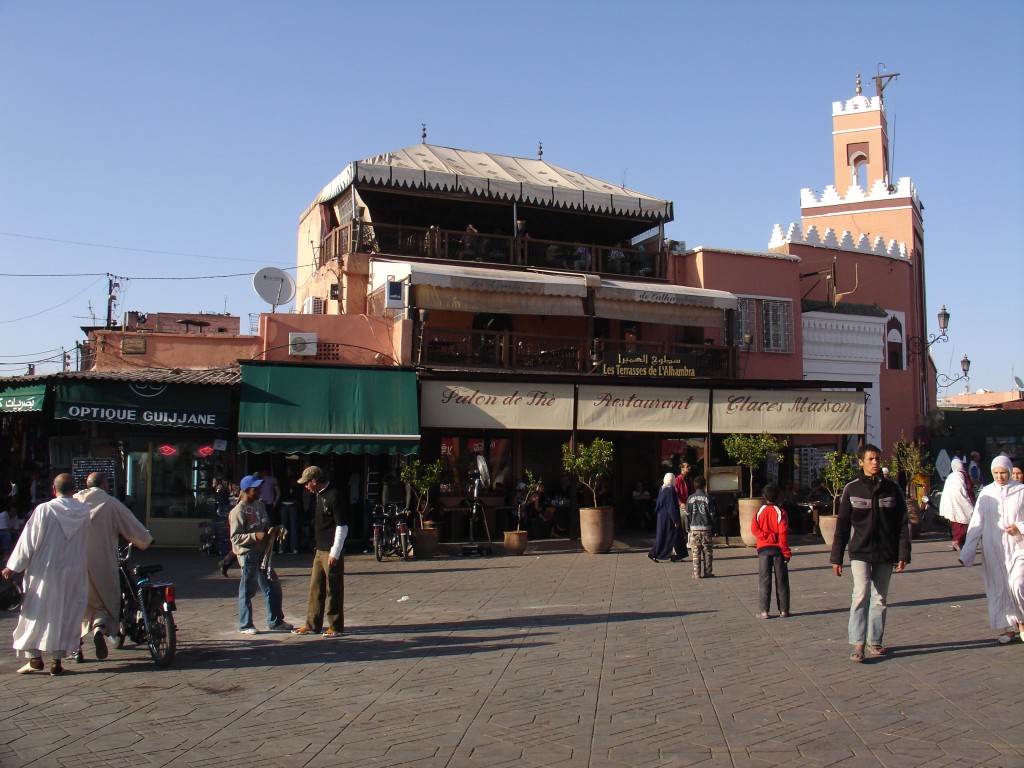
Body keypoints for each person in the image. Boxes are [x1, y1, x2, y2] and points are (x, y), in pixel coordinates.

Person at [2, 474, 91, 676]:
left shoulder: (45, 510)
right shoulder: (84, 513)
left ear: (53, 489)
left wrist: (12, 567)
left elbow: (28, 542)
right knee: (66, 613)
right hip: (73, 570)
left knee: (36, 612)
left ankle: (34, 658)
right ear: (73, 490)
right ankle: (57, 661)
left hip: (44, 570)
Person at [830, 443, 911, 663]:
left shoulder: (892, 489)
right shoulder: (852, 489)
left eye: (877, 459)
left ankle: (875, 640)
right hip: (860, 551)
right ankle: (858, 643)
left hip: (886, 551)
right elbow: (843, 526)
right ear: (861, 462)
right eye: (870, 459)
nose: (875, 463)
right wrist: (836, 557)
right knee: (861, 593)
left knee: (880, 598)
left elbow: (903, 523)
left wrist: (904, 553)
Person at [74, 472, 153, 662]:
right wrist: (146, 540)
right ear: (103, 484)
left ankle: (76, 646)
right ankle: (99, 629)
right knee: (103, 599)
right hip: (103, 562)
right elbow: (131, 525)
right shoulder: (110, 503)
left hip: (75, 563)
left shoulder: (74, 503)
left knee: (77, 604)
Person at [957, 455, 1024, 644]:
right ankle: (1008, 629)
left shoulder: (1021, 491)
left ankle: (1022, 622)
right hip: (994, 549)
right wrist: (967, 553)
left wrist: (1019, 527)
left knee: (1017, 584)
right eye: (996, 473)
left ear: (1010, 471)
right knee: (998, 588)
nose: (1000, 476)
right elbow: (977, 523)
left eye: (1003, 472)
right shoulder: (986, 493)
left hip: (1019, 547)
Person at [229, 474, 292, 635]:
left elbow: (266, 525)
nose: (259, 492)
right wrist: (254, 536)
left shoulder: (260, 506)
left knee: (273, 587)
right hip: (248, 555)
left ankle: (275, 620)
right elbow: (235, 538)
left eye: (259, 489)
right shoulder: (237, 511)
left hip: (264, 554)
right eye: (255, 490)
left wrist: (274, 531)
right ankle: (245, 624)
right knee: (247, 590)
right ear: (246, 491)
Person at [291, 467, 349, 638]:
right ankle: (312, 624)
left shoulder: (334, 495)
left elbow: (342, 526)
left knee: (334, 588)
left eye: (307, 483)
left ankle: (335, 626)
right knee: (315, 587)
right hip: (319, 548)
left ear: (314, 481)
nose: (306, 487)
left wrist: (335, 552)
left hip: (330, 550)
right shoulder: (318, 495)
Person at [751, 484, 791, 618]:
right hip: (778, 550)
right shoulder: (780, 512)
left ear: (764, 497)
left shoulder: (759, 511)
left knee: (764, 580)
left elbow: (754, 530)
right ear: (778, 496)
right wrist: (786, 552)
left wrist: (766, 537)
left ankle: (764, 611)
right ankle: (784, 610)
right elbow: (783, 534)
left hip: (763, 550)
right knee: (782, 580)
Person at [939, 458, 975, 552]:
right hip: (961, 502)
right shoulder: (963, 475)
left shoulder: (950, 476)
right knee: (964, 522)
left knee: (957, 523)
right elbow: (969, 489)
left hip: (951, 503)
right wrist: (972, 501)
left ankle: (956, 541)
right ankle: (957, 541)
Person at [648, 473, 684, 563]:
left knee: (663, 536)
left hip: (662, 517)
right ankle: (673, 554)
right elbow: (671, 506)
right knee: (672, 536)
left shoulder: (662, 488)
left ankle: (668, 554)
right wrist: (675, 519)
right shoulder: (670, 490)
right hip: (669, 518)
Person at [685, 475, 716, 579]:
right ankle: (708, 572)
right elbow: (712, 514)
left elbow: (687, 514)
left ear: (694, 486)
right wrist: (714, 528)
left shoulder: (690, 498)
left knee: (695, 551)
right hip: (706, 528)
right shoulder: (708, 498)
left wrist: (687, 527)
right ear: (704, 486)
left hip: (694, 529)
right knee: (707, 551)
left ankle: (696, 573)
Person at [673, 462, 693, 558]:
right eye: (687, 467)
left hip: (689, 503)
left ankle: (689, 542)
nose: (689, 468)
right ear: (682, 468)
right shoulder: (678, 479)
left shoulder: (689, 479)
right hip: (683, 504)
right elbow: (676, 493)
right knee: (682, 521)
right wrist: (681, 503)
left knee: (690, 522)